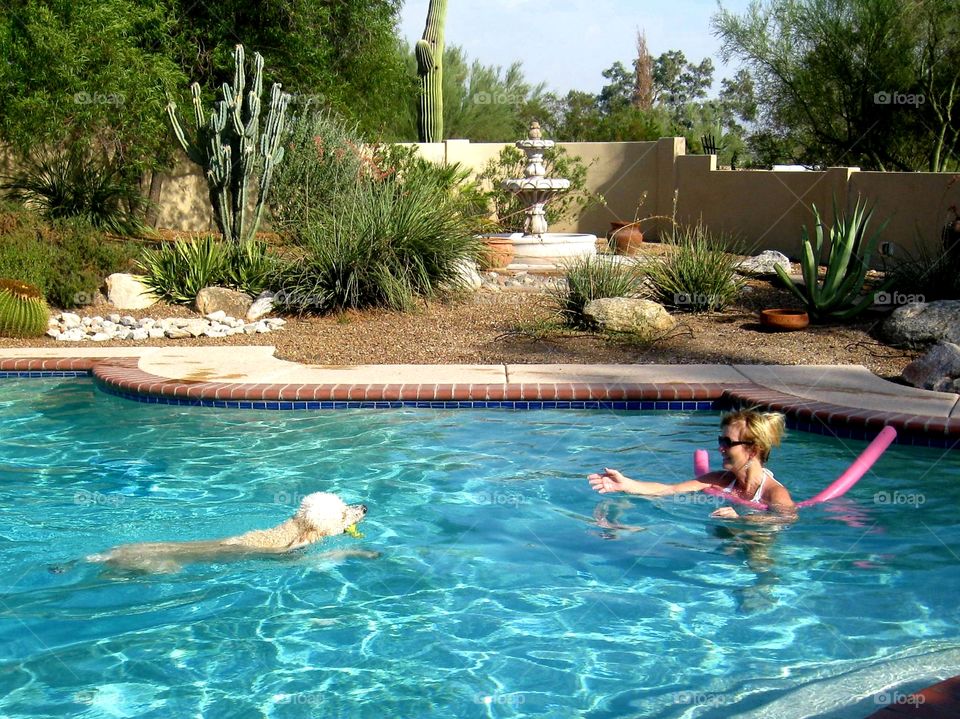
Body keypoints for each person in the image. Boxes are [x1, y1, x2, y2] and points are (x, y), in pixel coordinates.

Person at [587, 409, 797, 520]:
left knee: (758, 559)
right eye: (720, 441)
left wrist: (743, 517)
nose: (720, 448)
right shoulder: (720, 480)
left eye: (728, 443)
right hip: (726, 533)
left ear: (753, 450)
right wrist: (625, 484)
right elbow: (670, 489)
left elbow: (785, 520)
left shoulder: (774, 493)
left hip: (757, 540)